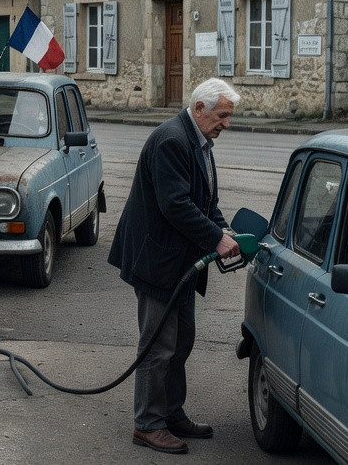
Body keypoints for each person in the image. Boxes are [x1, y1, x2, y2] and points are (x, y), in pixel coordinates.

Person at [107, 78, 242, 455]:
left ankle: (171, 412)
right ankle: (147, 424)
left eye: (228, 117)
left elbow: (206, 199)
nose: (226, 124)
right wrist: (216, 239)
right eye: (222, 116)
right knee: (158, 346)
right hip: (157, 262)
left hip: (180, 263)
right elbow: (176, 205)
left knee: (181, 341)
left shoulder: (199, 141)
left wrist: (226, 229)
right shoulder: (172, 141)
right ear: (199, 108)